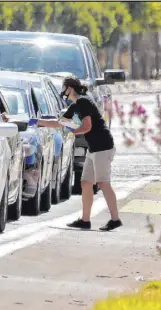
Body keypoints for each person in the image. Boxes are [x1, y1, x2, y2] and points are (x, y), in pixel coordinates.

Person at [28, 76, 122, 231]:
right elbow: (59, 124)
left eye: (64, 88)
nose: (62, 92)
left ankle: (115, 219)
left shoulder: (84, 101)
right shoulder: (74, 106)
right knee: (85, 182)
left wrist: (73, 131)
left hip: (103, 147)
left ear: (70, 88)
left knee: (103, 183)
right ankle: (85, 220)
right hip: (94, 148)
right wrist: (38, 122)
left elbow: (87, 126)